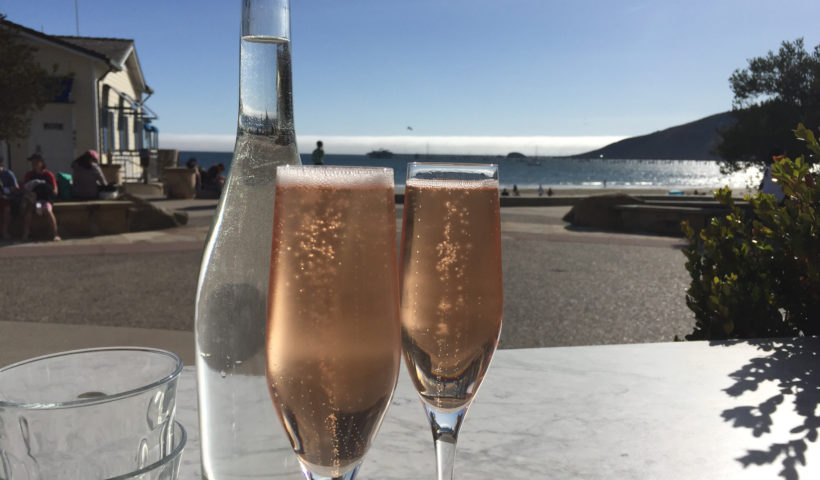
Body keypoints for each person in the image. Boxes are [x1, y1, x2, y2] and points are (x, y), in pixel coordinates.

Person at [21, 153, 60, 241]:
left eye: (36, 162)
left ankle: (55, 234)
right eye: (32, 162)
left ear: (41, 163)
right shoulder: (29, 174)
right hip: (33, 198)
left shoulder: (48, 174)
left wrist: (51, 192)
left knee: (47, 210)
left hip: (46, 198)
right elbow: (24, 188)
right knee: (29, 210)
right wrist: (30, 195)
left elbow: (55, 189)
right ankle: (26, 232)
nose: (33, 164)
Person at [0, 157, 20, 240]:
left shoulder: (7, 173)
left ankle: (4, 231)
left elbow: (16, 187)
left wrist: (6, 189)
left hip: (6, 198)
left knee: (7, 209)